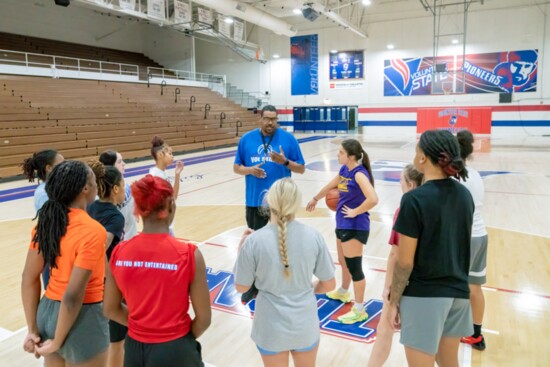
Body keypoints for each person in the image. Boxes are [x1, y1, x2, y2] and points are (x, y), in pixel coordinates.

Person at [387, 129, 474, 367]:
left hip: (425, 296)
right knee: (449, 363)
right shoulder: (465, 195)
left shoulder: (413, 200)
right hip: (458, 294)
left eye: (417, 150)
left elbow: (405, 262)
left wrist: (393, 301)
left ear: (423, 158)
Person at [103, 175, 211, 367]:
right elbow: (203, 320)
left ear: (139, 209)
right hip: (176, 349)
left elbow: (110, 308)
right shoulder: (189, 255)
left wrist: (143, 328)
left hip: (135, 349)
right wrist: (177, 339)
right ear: (171, 205)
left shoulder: (119, 252)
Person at [234, 178, 336, 367]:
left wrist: (241, 250)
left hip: (270, 329)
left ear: (268, 201)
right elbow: (329, 284)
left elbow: (242, 286)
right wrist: (304, 289)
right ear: (296, 204)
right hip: (304, 325)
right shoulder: (314, 236)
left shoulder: (253, 241)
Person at [21, 160, 109, 366]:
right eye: (94, 181)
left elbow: (28, 278)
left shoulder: (46, 224)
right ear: (85, 188)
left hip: (48, 312)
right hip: (83, 317)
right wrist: (57, 342)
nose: (97, 186)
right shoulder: (92, 230)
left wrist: (32, 329)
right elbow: (73, 295)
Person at [234, 105, 305, 303]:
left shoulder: (288, 139)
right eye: (267, 119)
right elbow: (236, 167)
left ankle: (281, 283)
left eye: (274, 119)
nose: (270, 123)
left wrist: (285, 162)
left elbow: (301, 169)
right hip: (255, 201)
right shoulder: (246, 139)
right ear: (260, 119)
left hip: (281, 204)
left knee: (282, 244)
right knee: (254, 246)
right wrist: (249, 170)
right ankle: (253, 285)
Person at [306, 139, 378, 324]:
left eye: (341, 153)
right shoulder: (344, 170)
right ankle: (344, 291)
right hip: (342, 223)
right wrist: (315, 198)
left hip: (355, 226)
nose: (338, 155)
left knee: (355, 268)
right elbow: (330, 186)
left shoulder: (359, 174)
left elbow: (373, 198)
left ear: (351, 156)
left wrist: (355, 211)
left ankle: (360, 309)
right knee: (343, 261)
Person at [367, 164, 423, 367]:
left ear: (410, 184)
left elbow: (395, 256)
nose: (399, 184)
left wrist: (389, 291)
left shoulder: (405, 209)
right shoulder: (433, 205)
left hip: (406, 281)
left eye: (401, 181)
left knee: (384, 330)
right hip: (428, 281)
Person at [88, 160, 127, 367]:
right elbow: (98, 248)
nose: (125, 189)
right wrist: (108, 280)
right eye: (123, 184)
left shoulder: (89, 207)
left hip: (87, 282)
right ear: (115, 188)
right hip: (106, 285)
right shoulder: (115, 217)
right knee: (117, 342)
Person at [457, 130, 489, 351]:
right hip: (481, 234)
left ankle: (451, 329)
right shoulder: (475, 174)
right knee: (475, 288)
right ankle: (476, 335)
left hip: (464, 238)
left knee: (455, 288)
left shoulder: (454, 177)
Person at [21, 149, 65, 289]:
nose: (65, 167)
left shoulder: (58, 188)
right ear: (49, 168)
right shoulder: (44, 193)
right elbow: (55, 223)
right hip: (52, 248)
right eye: (61, 164)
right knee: (54, 292)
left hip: (64, 247)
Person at [149, 135, 184, 236]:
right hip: (160, 227)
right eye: (170, 153)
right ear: (160, 155)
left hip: (166, 225)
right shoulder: (154, 176)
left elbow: (174, 197)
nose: (172, 156)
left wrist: (177, 174)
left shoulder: (164, 173)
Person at [99, 150, 138, 240]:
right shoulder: (104, 193)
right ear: (110, 167)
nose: (124, 164)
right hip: (120, 242)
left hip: (132, 236)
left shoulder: (123, 181)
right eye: (120, 162)